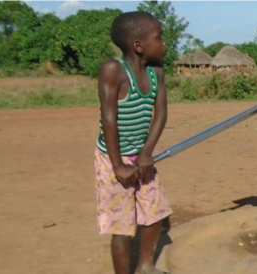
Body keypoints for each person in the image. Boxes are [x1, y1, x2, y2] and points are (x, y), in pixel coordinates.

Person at [94, 11, 171, 274]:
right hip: (112, 158)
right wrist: (118, 166)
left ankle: (146, 266)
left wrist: (147, 152)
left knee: (155, 212)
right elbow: (108, 118)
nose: (164, 43)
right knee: (122, 225)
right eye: (158, 38)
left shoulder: (157, 71)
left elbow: (160, 112)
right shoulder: (113, 70)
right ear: (139, 46)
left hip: (141, 154)